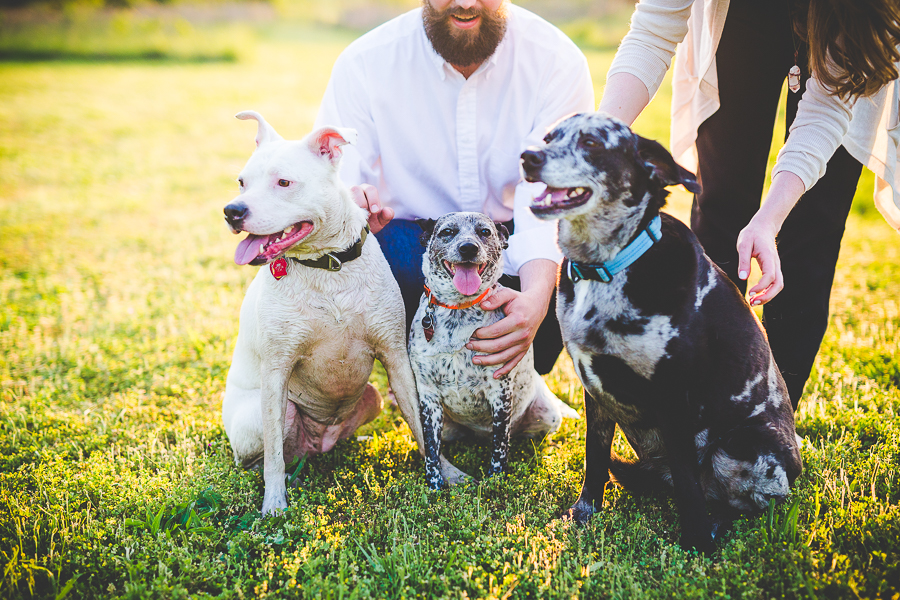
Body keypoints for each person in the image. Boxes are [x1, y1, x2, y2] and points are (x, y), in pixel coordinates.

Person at [600, 0, 900, 408]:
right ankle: (703, 405)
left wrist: (770, 219)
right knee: (720, 204)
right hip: (741, 15)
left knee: (813, 223)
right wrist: (598, 138)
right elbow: (653, 31)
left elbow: (827, 111)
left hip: (850, 16)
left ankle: (771, 417)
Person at [315, 0, 594, 378]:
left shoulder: (556, 60)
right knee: (381, 247)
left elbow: (546, 197)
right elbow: (337, 180)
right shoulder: (365, 62)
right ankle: (417, 374)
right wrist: (353, 204)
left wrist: (537, 299)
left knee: (578, 263)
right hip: (412, 253)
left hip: (516, 250)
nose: (464, 3)